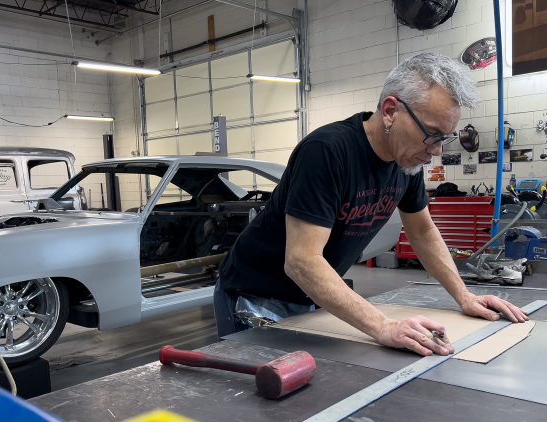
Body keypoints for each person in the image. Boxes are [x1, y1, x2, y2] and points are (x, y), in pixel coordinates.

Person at [214, 52, 528, 357]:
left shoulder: (407, 162)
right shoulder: (327, 151)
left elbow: (422, 232)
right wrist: (383, 326)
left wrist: (464, 296)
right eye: (431, 134)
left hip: (311, 296)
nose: (436, 151)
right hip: (255, 296)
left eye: (444, 138)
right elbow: (302, 261)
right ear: (390, 111)